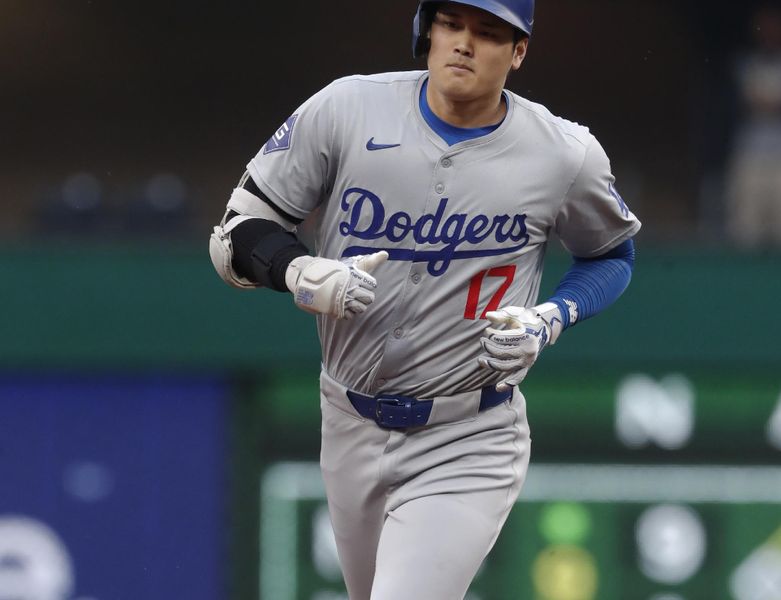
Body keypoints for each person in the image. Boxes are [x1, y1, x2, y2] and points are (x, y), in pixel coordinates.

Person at [209, 1, 641, 598]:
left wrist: (551, 317)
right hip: (348, 419)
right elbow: (235, 232)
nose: (464, 43)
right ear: (426, 31)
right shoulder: (346, 109)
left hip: (470, 433)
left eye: (489, 33)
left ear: (518, 53)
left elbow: (612, 254)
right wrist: (300, 271)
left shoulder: (563, 153)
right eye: (452, 25)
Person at [725, 3, 781, 249]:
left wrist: (779, 104)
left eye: (775, 27)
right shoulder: (745, 64)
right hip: (752, 149)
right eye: (765, 27)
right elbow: (740, 103)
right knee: (746, 219)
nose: (770, 32)